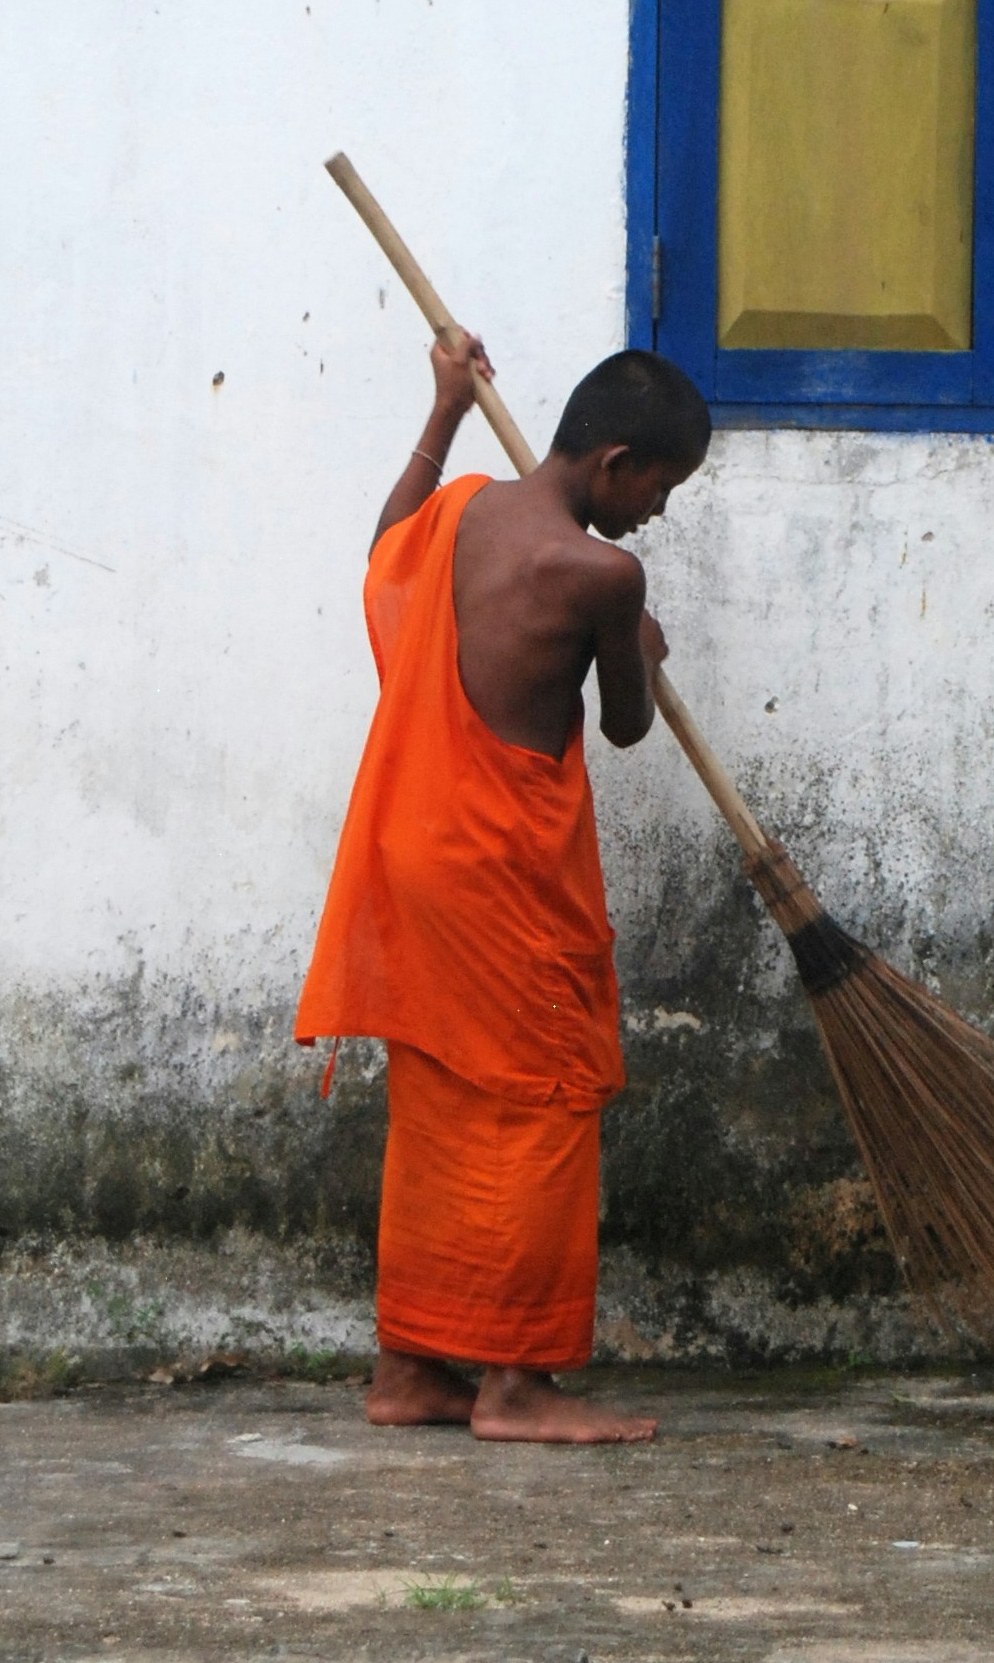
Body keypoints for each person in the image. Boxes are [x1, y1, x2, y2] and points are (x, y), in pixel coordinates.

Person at [297, 332, 711, 1443]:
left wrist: (441, 412)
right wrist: (639, 641)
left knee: (440, 1098)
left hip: (415, 843)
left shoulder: (469, 505)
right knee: (545, 1093)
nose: (657, 513)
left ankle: (408, 1367)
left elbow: (387, 547)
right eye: (660, 487)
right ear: (616, 461)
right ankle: (517, 1384)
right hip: (502, 868)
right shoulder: (602, 574)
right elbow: (624, 727)